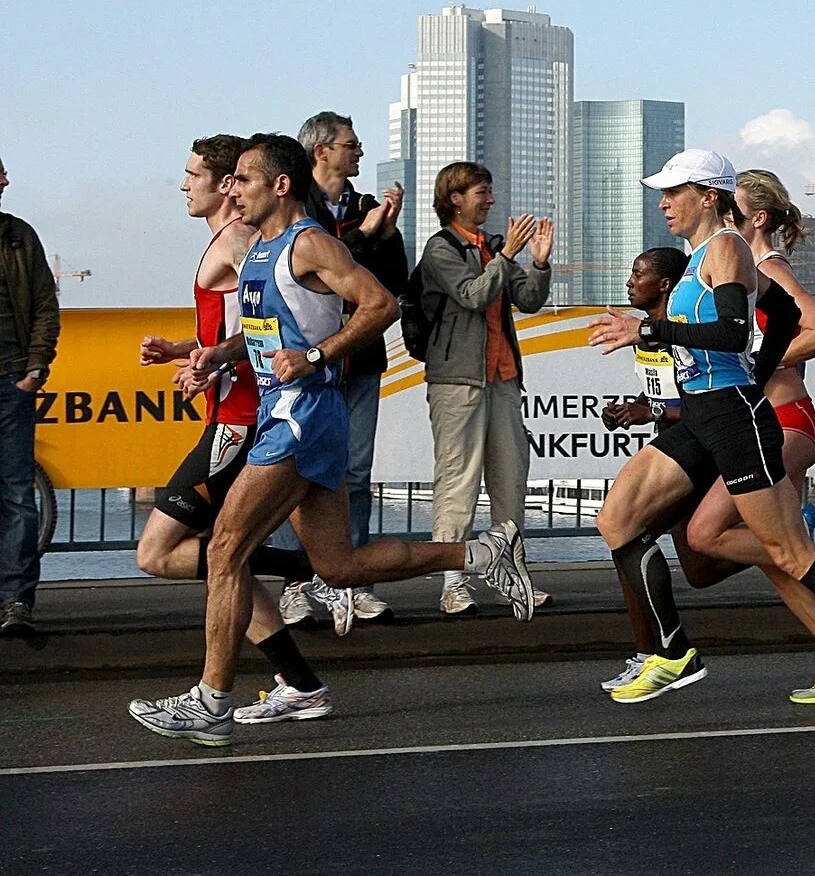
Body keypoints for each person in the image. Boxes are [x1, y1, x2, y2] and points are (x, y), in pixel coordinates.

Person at [129, 134, 533, 748]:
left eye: (243, 178)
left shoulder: (309, 243)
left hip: (302, 420)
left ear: (280, 185)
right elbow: (270, 335)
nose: (233, 188)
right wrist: (215, 353)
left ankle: (211, 702)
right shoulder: (260, 251)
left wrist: (316, 357)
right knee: (337, 566)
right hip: (283, 414)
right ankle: (479, 554)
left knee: (225, 551)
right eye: (230, 180)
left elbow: (380, 305)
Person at [585, 149, 815, 726]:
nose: (663, 203)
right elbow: (786, 318)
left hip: (736, 418)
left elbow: (731, 330)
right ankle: (671, 654)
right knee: (617, 518)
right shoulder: (700, 259)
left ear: (708, 196)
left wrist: (651, 327)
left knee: (787, 552)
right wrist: (757, 370)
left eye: (674, 192)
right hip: (701, 414)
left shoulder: (727, 249)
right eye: (662, 193)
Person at [133, 135, 338, 720]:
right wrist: (189, 352)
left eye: (193, 174)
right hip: (230, 410)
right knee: (227, 559)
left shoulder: (247, 241)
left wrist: (224, 360)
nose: (183, 185)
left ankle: (313, 575)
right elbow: (243, 330)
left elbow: (272, 326)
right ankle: (300, 680)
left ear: (227, 184)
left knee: (162, 553)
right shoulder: (227, 241)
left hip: (248, 417)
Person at [682, 169, 815, 702]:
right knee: (771, 554)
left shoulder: (766, 264)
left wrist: (749, 364)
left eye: (732, 211)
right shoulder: (731, 268)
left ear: (757, 218)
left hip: (787, 421)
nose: (722, 218)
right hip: (761, 421)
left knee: (714, 534)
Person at [277, 112, 410, 624]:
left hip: (359, 357)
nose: (359, 152)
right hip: (306, 363)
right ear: (321, 151)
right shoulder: (295, 207)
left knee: (355, 472)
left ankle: (352, 580)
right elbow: (317, 273)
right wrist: (362, 239)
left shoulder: (367, 208)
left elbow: (391, 285)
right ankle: (296, 581)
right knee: (295, 474)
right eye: (350, 144)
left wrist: (384, 233)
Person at [417, 161, 555, 615]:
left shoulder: (494, 248)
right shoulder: (440, 249)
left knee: (510, 477)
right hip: (457, 380)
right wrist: (508, 256)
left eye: (490, 191)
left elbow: (530, 301)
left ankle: (512, 575)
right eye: (482, 191)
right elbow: (473, 295)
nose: (491, 199)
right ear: (455, 198)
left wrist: (538, 262)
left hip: (503, 377)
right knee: (458, 478)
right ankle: (452, 581)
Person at [0, 154, 60, 636]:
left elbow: (44, 303)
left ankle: (16, 600)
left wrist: (36, 368)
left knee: (17, 494)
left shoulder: (19, 237)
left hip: (10, 384)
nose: (5, 179)